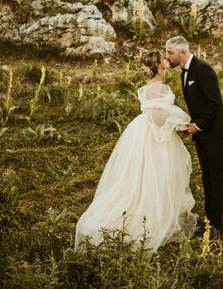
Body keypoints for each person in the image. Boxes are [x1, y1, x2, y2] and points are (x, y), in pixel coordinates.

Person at [74, 51, 197, 252]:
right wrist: (177, 126)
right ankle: (148, 217)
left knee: (149, 176)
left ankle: (156, 212)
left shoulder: (155, 85)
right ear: (158, 65)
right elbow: (157, 116)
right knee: (152, 175)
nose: (167, 60)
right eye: (163, 59)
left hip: (147, 131)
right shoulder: (157, 87)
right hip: (153, 136)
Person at [164, 36, 223, 240]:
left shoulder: (203, 69)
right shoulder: (184, 72)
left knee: (217, 178)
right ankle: (209, 221)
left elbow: (214, 103)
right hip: (202, 133)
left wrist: (197, 126)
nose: (167, 57)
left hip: (217, 132)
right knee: (206, 178)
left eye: (170, 53)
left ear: (182, 53)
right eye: (166, 52)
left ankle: (216, 226)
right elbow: (199, 105)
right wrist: (188, 126)